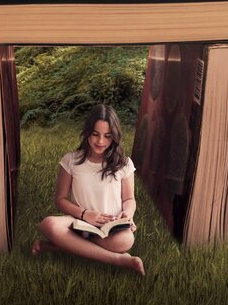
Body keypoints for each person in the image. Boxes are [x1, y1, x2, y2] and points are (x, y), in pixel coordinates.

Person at [31, 104, 145, 275]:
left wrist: (127, 215)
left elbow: (129, 200)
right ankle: (118, 259)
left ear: (114, 136)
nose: (100, 141)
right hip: (80, 222)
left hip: (110, 225)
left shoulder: (124, 163)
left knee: (125, 241)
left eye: (107, 136)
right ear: (87, 132)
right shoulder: (71, 160)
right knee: (49, 224)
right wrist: (85, 214)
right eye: (95, 134)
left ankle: (61, 246)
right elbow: (60, 200)